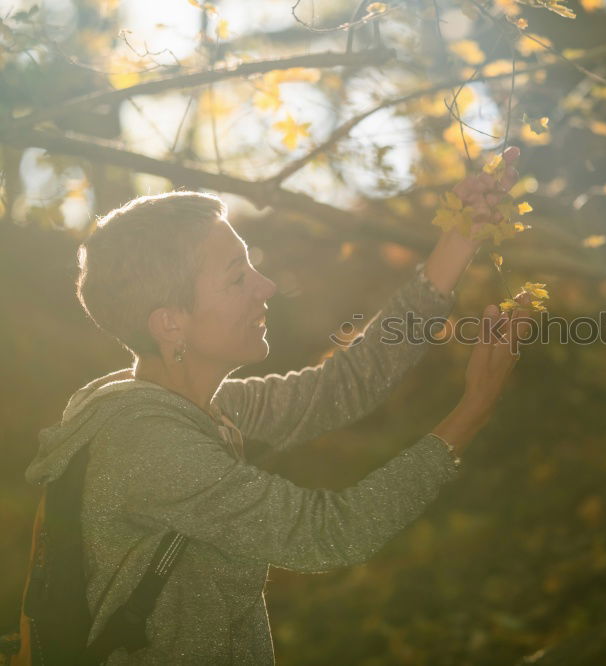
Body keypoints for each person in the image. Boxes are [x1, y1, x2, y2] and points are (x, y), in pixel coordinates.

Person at [21, 151, 524, 664]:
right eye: (237, 277)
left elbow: (341, 386)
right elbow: (328, 535)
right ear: (170, 323)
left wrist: (460, 239)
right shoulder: (149, 442)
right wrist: (474, 410)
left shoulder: (188, 406)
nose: (267, 286)